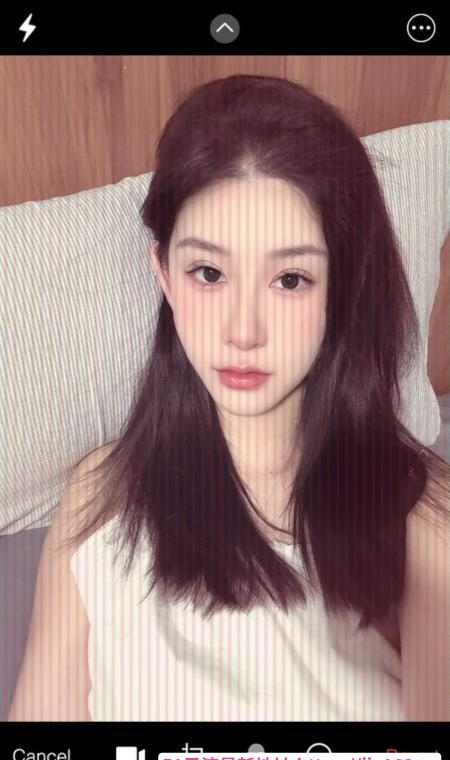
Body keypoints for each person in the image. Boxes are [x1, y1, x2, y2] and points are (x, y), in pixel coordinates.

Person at [8, 74, 449, 722]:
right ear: (164, 275)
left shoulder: (422, 517)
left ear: (344, 289)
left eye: (290, 279)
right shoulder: (97, 500)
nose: (243, 331)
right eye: (208, 272)